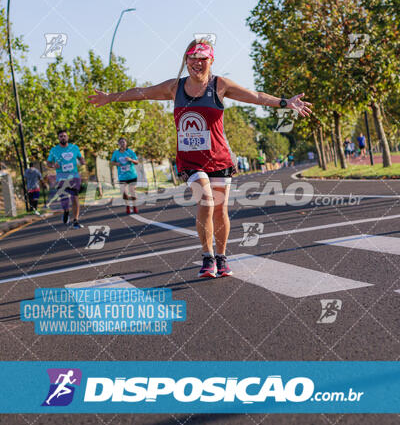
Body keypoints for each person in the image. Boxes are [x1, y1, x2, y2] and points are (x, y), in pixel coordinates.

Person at [88, 39, 312, 278]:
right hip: (190, 161)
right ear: (186, 61)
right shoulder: (175, 87)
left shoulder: (220, 85)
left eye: (202, 58)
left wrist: (284, 103)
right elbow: (142, 93)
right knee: (205, 199)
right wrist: (111, 97)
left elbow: (254, 96)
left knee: (219, 209)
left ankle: (222, 257)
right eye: (192, 58)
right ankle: (207, 257)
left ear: (211, 61)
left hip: (219, 157)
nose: (197, 62)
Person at [47, 130, 85, 228]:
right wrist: (53, 165)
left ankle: (76, 220)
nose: (63, 138)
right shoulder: (54, 150)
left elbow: (81, 158)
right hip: (61, 177)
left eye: (64, 136)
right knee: (64, 198)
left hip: (74, 176)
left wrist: (82, 161)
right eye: (61, 136)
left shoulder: (74, 148)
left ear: (67, 137)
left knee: (74, 197)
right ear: (58, 138)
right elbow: (48, 163)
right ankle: (66, 211)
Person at [111, 138, 139, 214]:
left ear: (126, 143)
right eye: (120, 142)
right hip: (122, 176)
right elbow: (112, 162)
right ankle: (127, 206)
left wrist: (131, 160)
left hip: (132, 175)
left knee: (132, 192)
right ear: (118, 144)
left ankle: (134, 206)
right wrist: (117, 164)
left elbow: (137, 162)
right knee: (124, 193)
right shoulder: (116, 153)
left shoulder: (130, 152)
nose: (122, 143)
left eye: (123, 142)